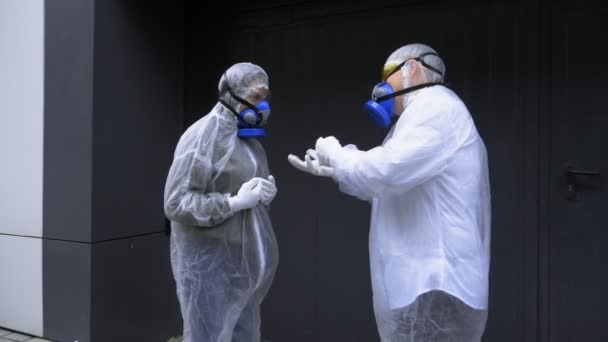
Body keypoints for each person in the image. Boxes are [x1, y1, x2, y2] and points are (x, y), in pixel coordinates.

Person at [289, 43, 491, 341]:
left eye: (387, 74)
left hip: (435, 280)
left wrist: (336, 153)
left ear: (412, 69)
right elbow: (391, 183)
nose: (381, 85)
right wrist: (337, 169)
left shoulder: (436, 107)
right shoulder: (421, 115)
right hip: (426, 278)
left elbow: (382, 172)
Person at [164, 62, 279, 342]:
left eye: (265, 98)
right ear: (231, 95)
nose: (262, 105)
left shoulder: (250, 142)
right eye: (255, 97)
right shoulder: (201, 137)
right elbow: (176, 202)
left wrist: (264, 196)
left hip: (243, 265)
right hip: (207, 266)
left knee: (245, 335)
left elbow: (252, 202)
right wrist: (233, 203)